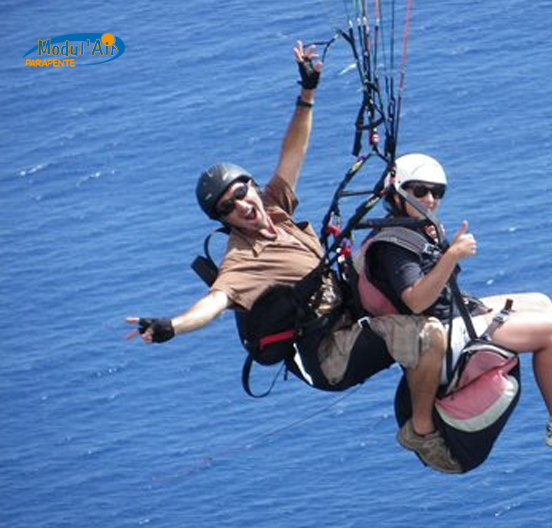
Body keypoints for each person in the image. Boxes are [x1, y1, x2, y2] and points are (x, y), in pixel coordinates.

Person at [125, 43, 462, 474]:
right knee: (428, 335)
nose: (242, 205)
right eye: (228, 207)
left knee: (396, 270)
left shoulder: (276, 206)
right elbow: (212, 304)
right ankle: (422, 431)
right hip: (328, 354)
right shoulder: (242, 260)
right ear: (224, 220)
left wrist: (307, 91)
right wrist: (172, 326)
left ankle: (439, 364)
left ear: (251, 186)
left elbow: (293, 151)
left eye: (241, 192)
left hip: (349, 316)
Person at [361, 153, 552, 450]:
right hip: (441, 338)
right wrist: (452, 255)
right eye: (420, 190)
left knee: (541, 302)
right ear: (398, 191)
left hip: (452, 316)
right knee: (549, 332)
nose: (430, 199)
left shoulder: (412, 229)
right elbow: (416, 300)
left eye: (437, 192)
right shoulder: (395, 245)